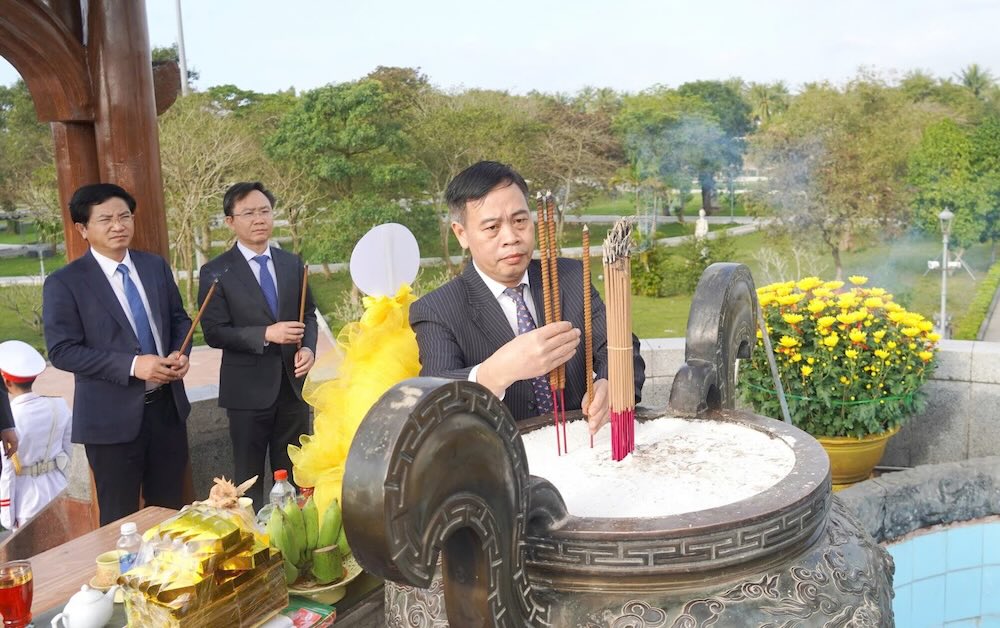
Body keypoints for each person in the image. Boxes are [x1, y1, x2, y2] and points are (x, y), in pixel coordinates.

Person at [410, 161, 645, 431]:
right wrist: (497, 371)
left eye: (520, 221)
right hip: (500, 461)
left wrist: (612, 382)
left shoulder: (569, 278)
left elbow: (620, 345)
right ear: (461, 234)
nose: (511, 237)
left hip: (580, 448)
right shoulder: (437, 310)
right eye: (492, 228)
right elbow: (436, 396)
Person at [43, 183, 192, 526]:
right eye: (106, 219)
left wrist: (178, 351)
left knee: (170, 514)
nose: (118, 225)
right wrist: (133, 365)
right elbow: (63, 351)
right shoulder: (66, 282)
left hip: (167, 411)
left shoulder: (154, 267)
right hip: (110, 423)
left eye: (124, 216)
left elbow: (179, 319)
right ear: (83, 229)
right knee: (119, 521)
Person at [198, 182, 317, 509]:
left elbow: (308, 314)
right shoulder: (216, 271)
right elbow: (214, 331)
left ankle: (295, 544)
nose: (259, 219)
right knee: (248, 478)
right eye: (248, 213)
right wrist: (267, 333)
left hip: (291, 387)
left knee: (295, 475)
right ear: (230, 221)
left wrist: (308, 348)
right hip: (247, 394)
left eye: (264, 211)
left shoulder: (292, 264)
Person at [0, 341, 72, 530]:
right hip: (59, 487)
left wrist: (7, 514)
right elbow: (69, 451)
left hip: (27, 499)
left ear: (6, 382)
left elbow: (7, 470)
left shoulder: (8, 422)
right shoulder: (59, 406)